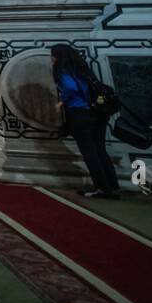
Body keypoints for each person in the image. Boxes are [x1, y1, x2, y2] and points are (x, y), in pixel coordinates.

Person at [51, 43, 119, 199]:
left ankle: (102, 188)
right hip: (97, 114)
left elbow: (71, 88)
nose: (51, 59)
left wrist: (62, 101)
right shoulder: (82, 69)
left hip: (79, 114)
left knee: (89, 152)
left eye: (53, 55)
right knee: (100, 150)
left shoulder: (62, 71)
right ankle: (113, 186)